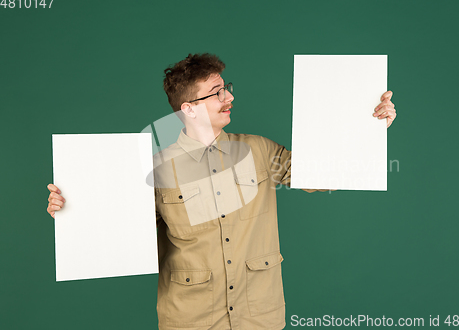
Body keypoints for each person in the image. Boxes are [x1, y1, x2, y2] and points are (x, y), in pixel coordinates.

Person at [47, 53, 396, 330]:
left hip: (259, 317)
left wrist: (370, 125)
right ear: (189, 108)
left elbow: (324, 174)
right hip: (190, 320)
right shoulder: (154, 169)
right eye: (216, 93)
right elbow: (122, 238)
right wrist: (73, 209)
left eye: (225, 87)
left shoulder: (259, 151)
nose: (229, 96)